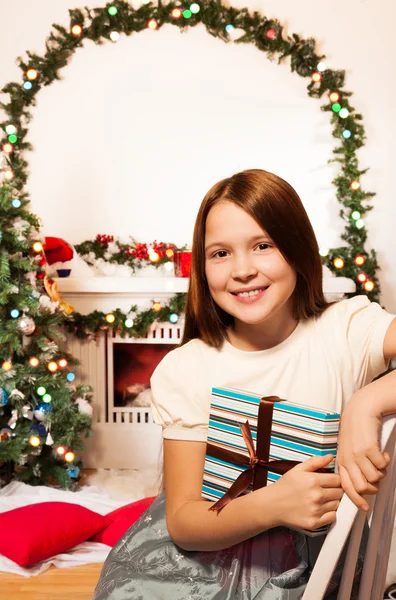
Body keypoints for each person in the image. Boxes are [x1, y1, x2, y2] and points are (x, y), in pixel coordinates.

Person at [92, 169, 396, 599]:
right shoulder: (188, 368)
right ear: (201, 267)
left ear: (297, 249)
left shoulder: (344, 331)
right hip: (202, 565)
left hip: (315, 568)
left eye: (263, 245)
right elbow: (183, 522)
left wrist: (367, 401)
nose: (242, 270)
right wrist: (273, 505)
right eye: (220, 253)